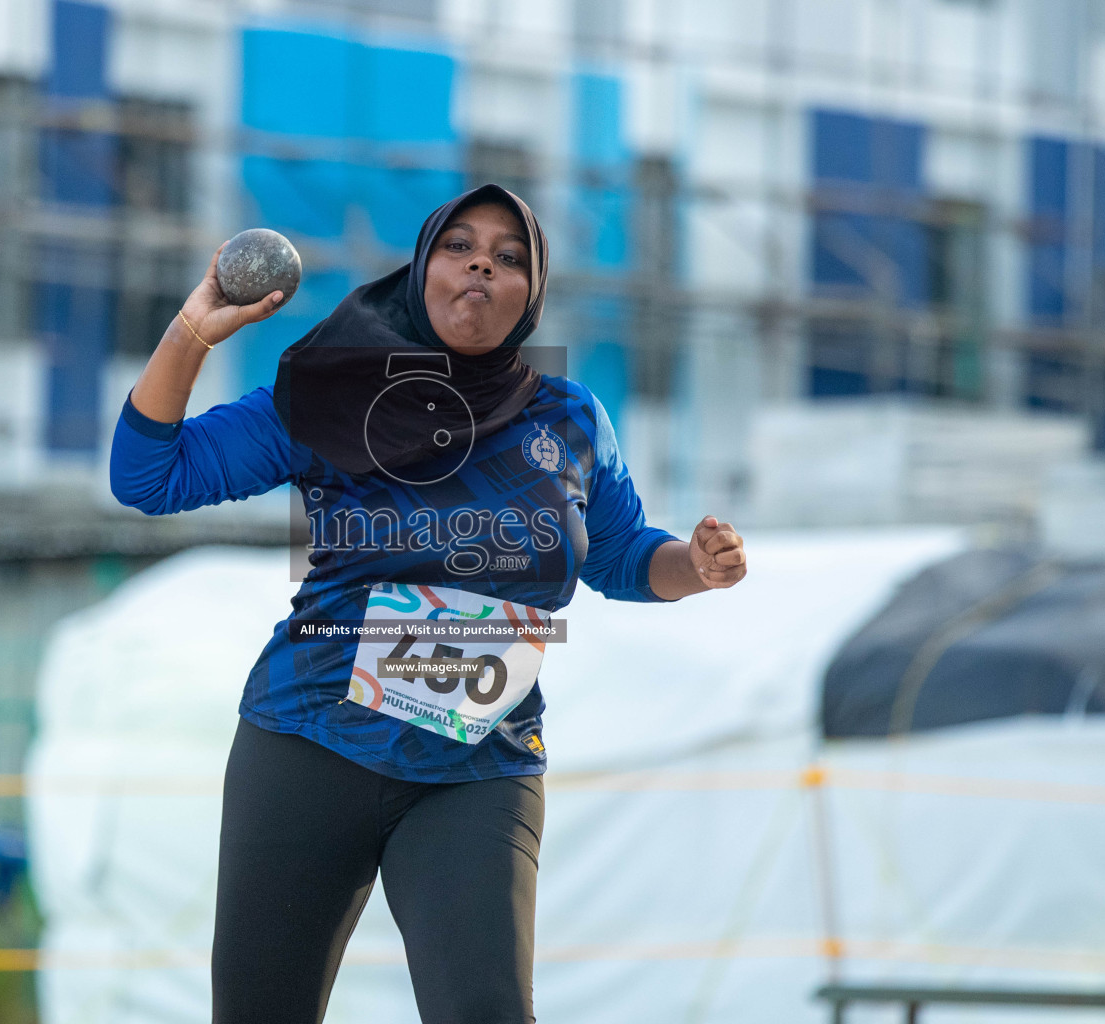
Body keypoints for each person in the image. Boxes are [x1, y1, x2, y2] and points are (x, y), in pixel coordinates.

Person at [110, 183, 747, 1024]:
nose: (483, 261)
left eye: (510, 255)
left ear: (531, 294)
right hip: (310, 741)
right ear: (420, 270)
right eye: (459, 245)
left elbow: (625, 555)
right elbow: (147, 477)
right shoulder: (334, 398)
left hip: (480, 763)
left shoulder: (570, 418)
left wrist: (694, 568)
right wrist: (193, 332)